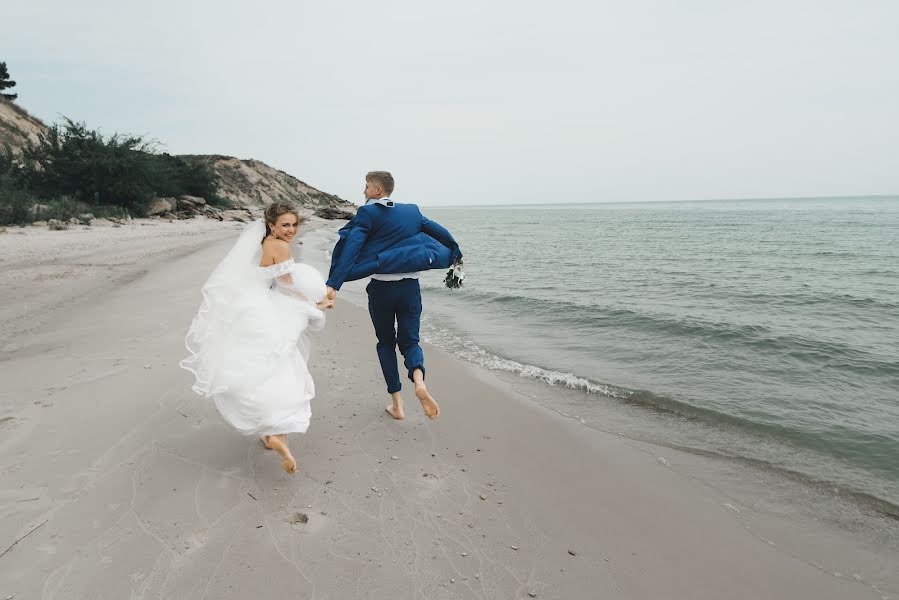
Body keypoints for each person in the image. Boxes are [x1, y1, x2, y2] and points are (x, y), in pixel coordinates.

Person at [180, 202, 333, 474]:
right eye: (285, 225)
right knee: (283, 368)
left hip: (249, 306)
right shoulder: (281, 247)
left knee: (256, 366)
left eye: (294, 225)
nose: (291, 230)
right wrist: (315, 304)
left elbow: (269, 278)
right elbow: (287, 285)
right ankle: (277, 434)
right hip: (269, 307)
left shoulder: (264, 242)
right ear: (271, 225)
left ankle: (268, 433)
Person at [325, 171, 462, 421]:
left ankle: (397, 405)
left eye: (366, 187)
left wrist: (335, 283)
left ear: (377, 191)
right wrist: (455, 250)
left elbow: (353, 246)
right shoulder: (411, 211)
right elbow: (438, 231)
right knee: (410, 342)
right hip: (410, 289)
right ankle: (419, 381)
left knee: (386, 343)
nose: (364, 191)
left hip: (382, 291)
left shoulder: (368, 212)